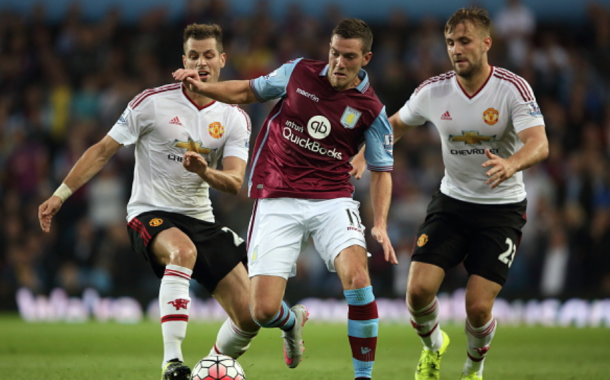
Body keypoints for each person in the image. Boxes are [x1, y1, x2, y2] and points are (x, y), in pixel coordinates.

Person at [173, 18, 397, 380]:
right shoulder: (298, 73)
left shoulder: (371, 110)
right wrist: (204, 86)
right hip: (277, 196)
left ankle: (363, 377)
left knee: (358, 279)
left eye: (349, 57)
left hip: (332, 199)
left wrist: (382, 223)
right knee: (262, 311)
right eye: (334, 53)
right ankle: (292, 322)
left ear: (366, 58)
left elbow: (382, 169)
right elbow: (247, 91)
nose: (339, 63)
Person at [38, 24, 260, 380]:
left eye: (208, 55)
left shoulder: (234, 117)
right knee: (182, 252)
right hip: (150, 212)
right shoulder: (152, 102)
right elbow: (102, 151)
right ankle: (173, 362)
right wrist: (60, 194)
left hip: (201, 218)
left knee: (250, 317)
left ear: (222, 60)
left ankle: (211, 366)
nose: (201, 63)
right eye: (193, 55)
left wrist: (204, 172)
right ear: (183, 60)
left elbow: (234, 183)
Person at [382, 7, 548, 380]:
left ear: (487, 43)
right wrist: (363, 156)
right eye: (451, 43)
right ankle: (433, 346)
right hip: (452, 202)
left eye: (465, 41)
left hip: (501, 208)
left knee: (476, 307)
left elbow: (539, 144)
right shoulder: (434, 90)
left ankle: (474, 368)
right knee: (418, 293)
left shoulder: (512, 88)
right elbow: (394, 126)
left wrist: (511, 164)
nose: (456, 49)